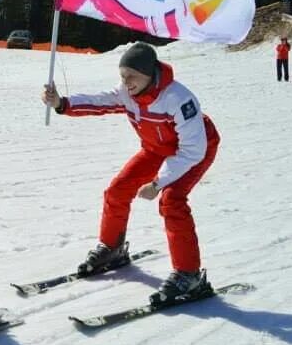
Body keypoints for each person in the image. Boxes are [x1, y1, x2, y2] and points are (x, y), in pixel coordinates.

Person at [41, 42, 221, 305]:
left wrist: (158, 183)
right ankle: (112, 248)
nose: (126, 83)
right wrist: (62, 103)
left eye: (132, 76)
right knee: (117, 190)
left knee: (172, 200)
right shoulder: (128, 94)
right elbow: (99, 102)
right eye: (122, 77)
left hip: (195, 149)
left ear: (150, 73)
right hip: (156, 149)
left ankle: (189, 275)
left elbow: (192, 151)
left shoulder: (178, 99)